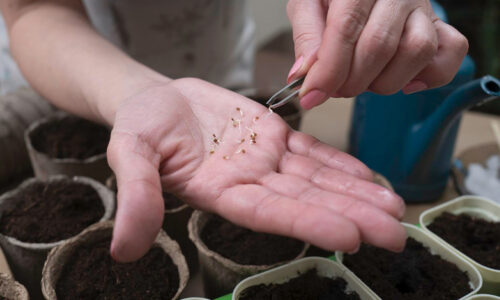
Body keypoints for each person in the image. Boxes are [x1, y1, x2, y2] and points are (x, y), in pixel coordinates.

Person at [0, 0, 467, 263]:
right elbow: (33, 10)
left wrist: (367, 14)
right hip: (72, 70)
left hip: (217, 79)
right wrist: (134, 92)